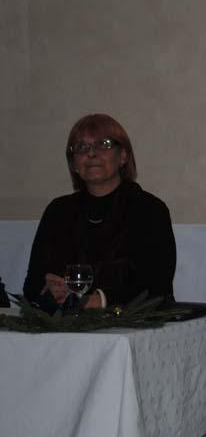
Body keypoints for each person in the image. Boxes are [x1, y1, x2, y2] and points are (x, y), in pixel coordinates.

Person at [23, 114, 176, 310]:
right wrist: (48, 291)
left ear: (123, 156)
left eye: (104, 144)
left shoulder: (149, 210)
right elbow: (32, 286)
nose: (92, 153)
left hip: (130, 322)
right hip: (64, 322)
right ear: (73, 164)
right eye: (81, 147)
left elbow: (157, 286)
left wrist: (100, 300)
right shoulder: (58, 211)